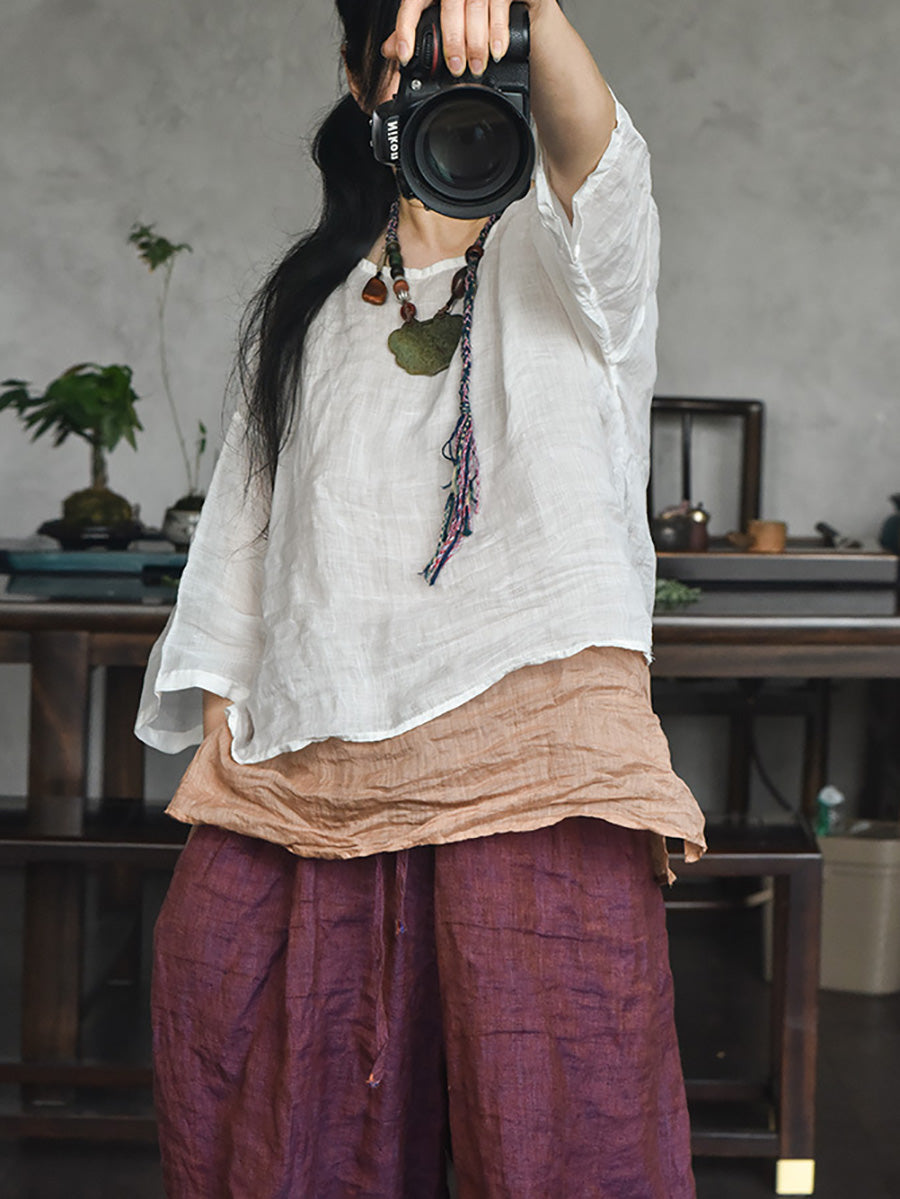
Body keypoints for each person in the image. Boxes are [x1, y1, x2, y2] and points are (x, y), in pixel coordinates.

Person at [135, 1, 707, 1195]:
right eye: (419, 49)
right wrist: (231, 760)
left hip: (542, 770)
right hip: (315, 780)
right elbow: (247, 547)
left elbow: (597, 153)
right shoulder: (309, 302)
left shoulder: (574, 257)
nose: (457, 73)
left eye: (480, 50)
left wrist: (526, 9)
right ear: (360, 79)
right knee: (279, 1134)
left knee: (565, 1148)